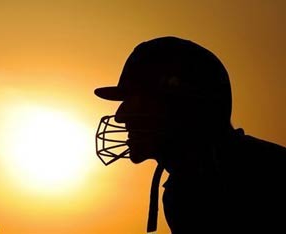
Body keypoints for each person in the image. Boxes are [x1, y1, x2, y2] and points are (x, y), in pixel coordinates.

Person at [94, 36, 286, 233]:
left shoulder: (260, 176)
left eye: (138, 100)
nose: (120, 115)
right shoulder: (188, 185)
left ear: (184, 106)